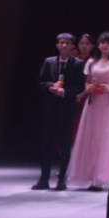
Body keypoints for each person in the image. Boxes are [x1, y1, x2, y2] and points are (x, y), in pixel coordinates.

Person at [67, 32, 109, 190]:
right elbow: (86, 83)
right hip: (93, 103)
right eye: (102, 42)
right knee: (92, 136)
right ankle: (90, 174)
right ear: (98, 45)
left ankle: (102, 176)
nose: (105, 45)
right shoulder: (91, 63)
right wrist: (89, 88)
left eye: (108, 42)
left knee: (106, 136)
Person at [33, 33, 85, 191]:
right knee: (46, 144)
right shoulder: (49, 61)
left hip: (67, 108)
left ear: (72, 46)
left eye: (67, 43)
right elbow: (40, 82)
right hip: (49, 108)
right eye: (61, 42)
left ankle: (62, 179)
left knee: (65, 144)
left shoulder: (78, 64)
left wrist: (64, 91)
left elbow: (80, 87)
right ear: (57, 45)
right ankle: (44, 179)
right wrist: (51, 86)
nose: (64, 45)